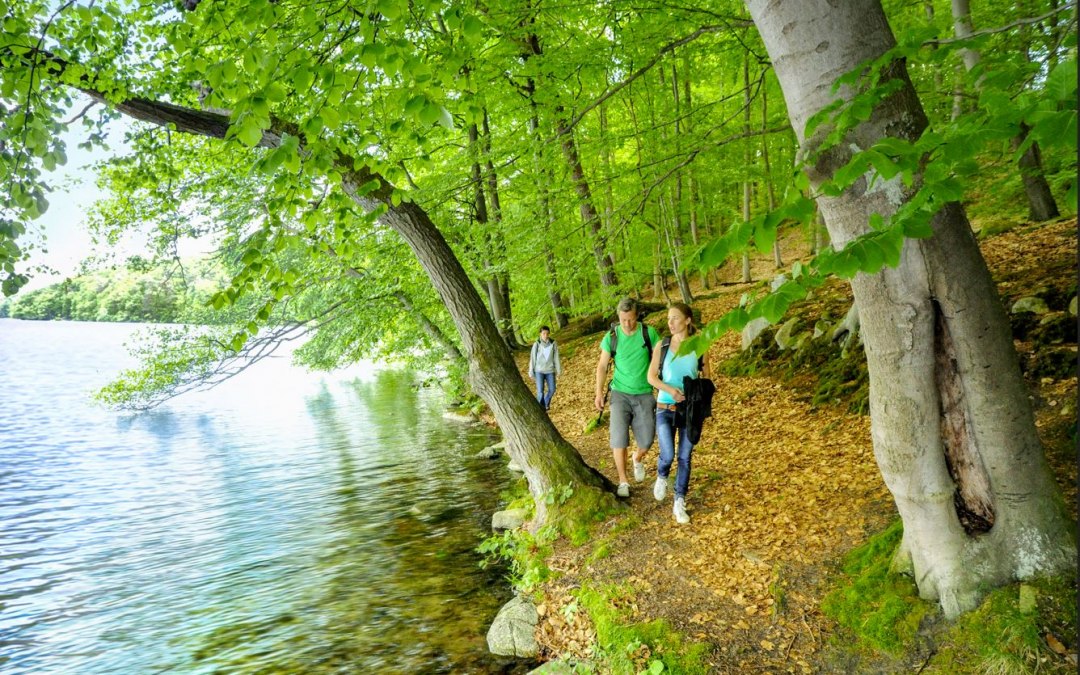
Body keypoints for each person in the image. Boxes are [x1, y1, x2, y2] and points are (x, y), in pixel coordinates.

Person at [647, 303, 709, 525]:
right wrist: (671, 390)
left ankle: (679, 501)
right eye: (668, 319)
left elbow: (707, 380)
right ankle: (662, 475)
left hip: (690, 411)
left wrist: (697, 399)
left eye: (674, 318)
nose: (670, 322)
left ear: (687, 320)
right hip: (664, 407)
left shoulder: (700, 345)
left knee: (685, 457)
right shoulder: (662, 345)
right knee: (668, 454)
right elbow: (651, 377)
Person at [595, 297, 661, 498]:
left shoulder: (648, 333)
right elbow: (602, 366)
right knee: (619, 438)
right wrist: (598, 392)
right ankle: (623, 481)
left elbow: (661, 357)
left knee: (647, 440)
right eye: (623, 319)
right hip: (620, 393)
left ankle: (637, 458)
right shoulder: (612, 337)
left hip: (644, 392)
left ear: (637, 316)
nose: (627, 323)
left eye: (631, 319)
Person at [529, 326, 562, 411]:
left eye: (547, 333)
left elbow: (556, 357)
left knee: (552, 389)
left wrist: (559, 370)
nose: (545, 335)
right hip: (539, 371)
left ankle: (545, 403)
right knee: (540, 391)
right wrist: (531, 371)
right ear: (540, 334)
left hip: (550, 370)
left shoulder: (553, 343)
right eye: (543, 333)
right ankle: (540, 408)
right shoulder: (537, 344)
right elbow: (533, 358)